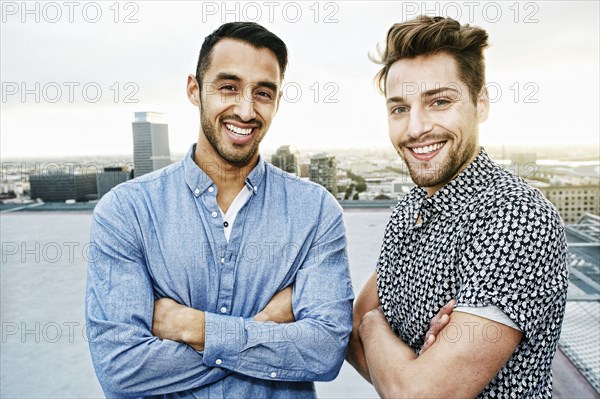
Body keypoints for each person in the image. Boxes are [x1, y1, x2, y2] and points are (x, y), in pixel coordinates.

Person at [85, 22, 353, 398]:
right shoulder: (127, 210)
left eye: (263, 92)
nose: (245, 109)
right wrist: (265, 325)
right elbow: (123, 369)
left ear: (277, 102)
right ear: (194, 90)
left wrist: (196, 328)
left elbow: (325, 352)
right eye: (229, 87)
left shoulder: (316, 211)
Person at [346, 16, 568, 398]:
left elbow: (419, 394)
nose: (415, 128)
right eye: (399, 108)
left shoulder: (515, 217)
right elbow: (349, 336)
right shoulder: (410, 207)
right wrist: (409, 364)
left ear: (481, 103)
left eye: (440, 101)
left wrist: (372, 326)